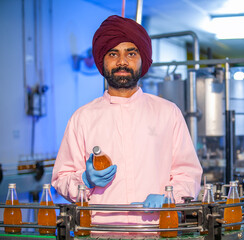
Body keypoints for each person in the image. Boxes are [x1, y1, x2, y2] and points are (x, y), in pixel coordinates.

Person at [51, 15, 203, 228]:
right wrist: (85, 181)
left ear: (143, 59)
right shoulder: (83, 118)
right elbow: (61, 178)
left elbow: (188, 173)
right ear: (101, 60)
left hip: (156, 229)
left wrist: (170, 198)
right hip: (101, 231)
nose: (122, 62)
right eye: (113, 54)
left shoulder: (168, 113)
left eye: (131, 53)